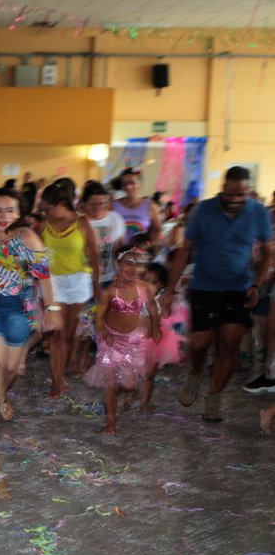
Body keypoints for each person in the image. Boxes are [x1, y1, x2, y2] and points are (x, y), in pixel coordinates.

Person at [165, 166, 272, 422]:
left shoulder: (257, 212)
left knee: (229, 344)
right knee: (199, 342)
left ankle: (213, 397)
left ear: (247, 191)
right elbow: (185, 249)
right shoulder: (204, 209)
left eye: (240, 195)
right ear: (223, 188)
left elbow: (267, 251)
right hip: (205, 285)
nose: (234, 200)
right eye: (230, 194)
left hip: (240, 287)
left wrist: (257, 284)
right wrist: (169, 289)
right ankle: (196, 372)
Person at [0, 188, 61, 436]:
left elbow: (44, 276)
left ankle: (1, 395)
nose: (3, 216)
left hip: (19, 308)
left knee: (10, 367)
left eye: (9, 210)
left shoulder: (27, 237)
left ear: (18, 213)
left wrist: (51, 308)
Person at [84, 248, 160, 434]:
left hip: (132, 340)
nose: (133, 268)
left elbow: (152, 306)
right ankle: (111, 421)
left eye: (137, 264)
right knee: (110, 382)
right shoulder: (110, 291)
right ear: (118, 264)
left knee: (129, 383)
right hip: (109, 340)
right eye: (128, 263)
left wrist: (156, 326)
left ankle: (126, 391)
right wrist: (104, 333)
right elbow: (98, 317)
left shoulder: (145, 288)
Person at [39, 184, 100, 397]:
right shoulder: (44, 224)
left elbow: (94, 255)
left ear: (61, 204)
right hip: (52, 282)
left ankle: (61, 375)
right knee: (54, 334)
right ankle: (57, 382)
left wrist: (97, 287)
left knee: (66, 334)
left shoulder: (81, 223)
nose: (44, 213)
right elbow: (36, 255)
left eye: (48, 209)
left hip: (78, 282)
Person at [141, 262, 186, 412]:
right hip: (135, 342)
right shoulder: (135, 298)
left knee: (150, 374)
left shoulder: (161, 301)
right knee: (132, 373)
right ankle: (130, 395)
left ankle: (145, 403)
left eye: (153, 282)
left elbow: (166, 320)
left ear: (161, 285)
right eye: (145, 281)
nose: (148, 285)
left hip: (155, 343)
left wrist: (164, 308)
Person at [113, 168, 161, 244]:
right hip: (117, 250)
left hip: (140, 250)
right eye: (124, 184)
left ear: (140, 184)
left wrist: (148, 245)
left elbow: (157, 230)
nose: (128, 187)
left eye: (132, 183)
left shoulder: (149, 206)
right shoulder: (113, 205)